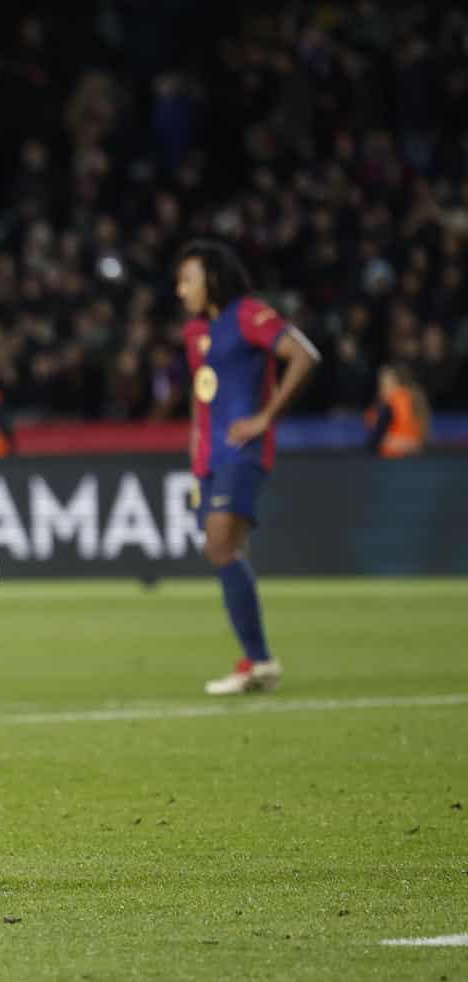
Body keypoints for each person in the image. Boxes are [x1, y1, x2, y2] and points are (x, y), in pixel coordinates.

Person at [175, 240, 321, 695]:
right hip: (210, 457)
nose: (181, 290)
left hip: (243, 451)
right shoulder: (195, 332)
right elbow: (205, 396)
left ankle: (259, 660)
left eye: (188, 280)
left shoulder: (247, 314)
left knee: (220, 545)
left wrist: (265, 418)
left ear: (213, 278)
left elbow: (304, 355)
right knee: (225, 551)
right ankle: (255, 661)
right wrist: (197, 447)